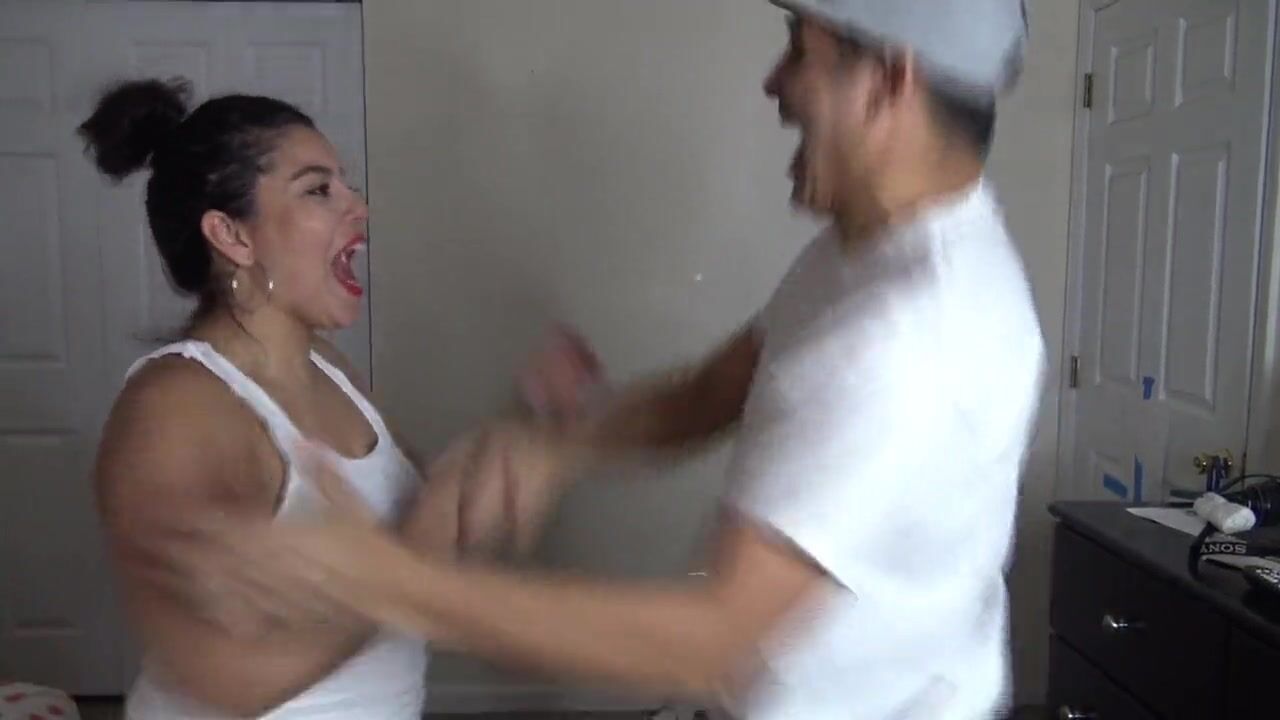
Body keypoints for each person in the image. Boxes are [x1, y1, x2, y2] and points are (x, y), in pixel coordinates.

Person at [173, 0, 1042, 717]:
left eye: (799, 49)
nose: (774, 81)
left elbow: (710, 639)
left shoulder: (910, 334)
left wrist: (392, 585)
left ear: (888, 80)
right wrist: (558, 447)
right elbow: (712, 392)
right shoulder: (863, 255)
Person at [83, 78, 560, 719]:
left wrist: (521, 444)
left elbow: (427, 536)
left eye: (346, 185)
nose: (358, 208)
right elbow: (221, 671)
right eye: (318, 190)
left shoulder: (328, 370)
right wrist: (401, 572)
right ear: (233, 236)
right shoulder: (175, 407)